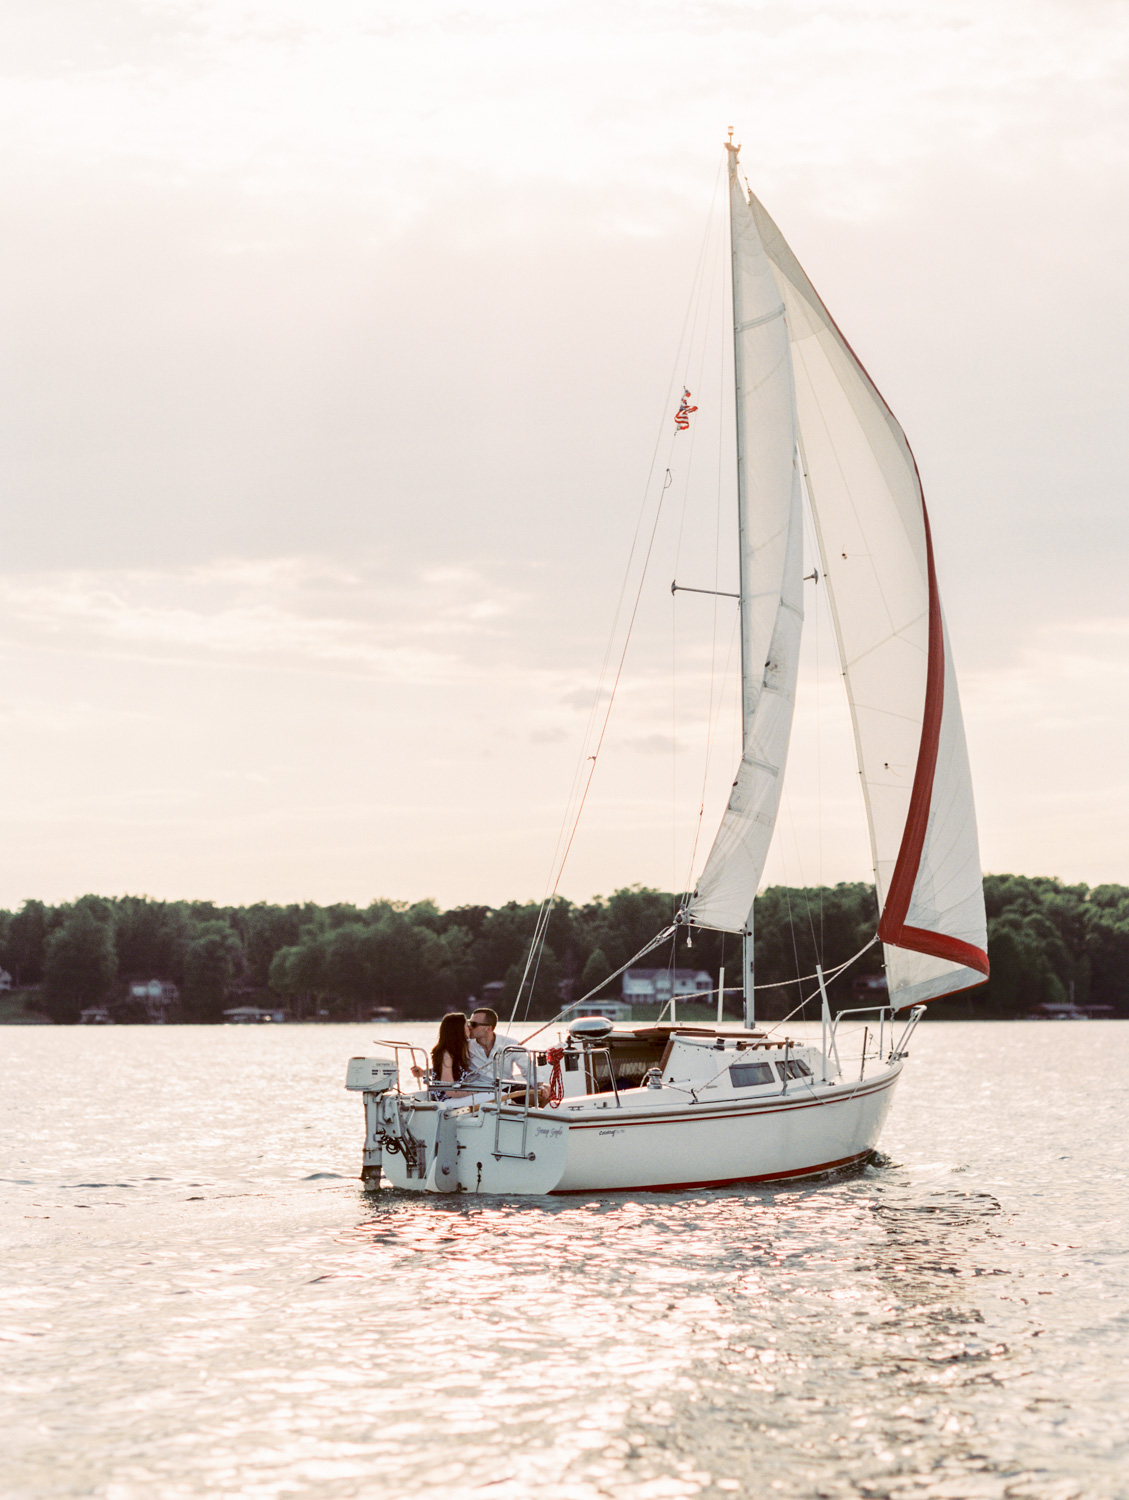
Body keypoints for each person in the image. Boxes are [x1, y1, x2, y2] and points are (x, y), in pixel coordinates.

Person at [463, 1006, 549, 1105]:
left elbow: (528, 1068)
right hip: (479, 1089)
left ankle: (532, 1118)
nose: (469, 1027)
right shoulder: (465, 1046)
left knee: (547, 1090)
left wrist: (538, 1085)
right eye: (469, 1023)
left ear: (488, 1028)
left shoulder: (510, 1044)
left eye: (473, 1024)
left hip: (507, 1087)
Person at [411, 1012, 471, 1102]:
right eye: (467, 1025)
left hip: (451, 1095)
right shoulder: (447, 1054)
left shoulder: (453, 1050)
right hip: (446, 1099)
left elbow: (445, 1071)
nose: (470, 1028)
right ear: (458, 1030)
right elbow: (449, 1090)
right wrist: (474, 1091)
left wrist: (424, 1072)